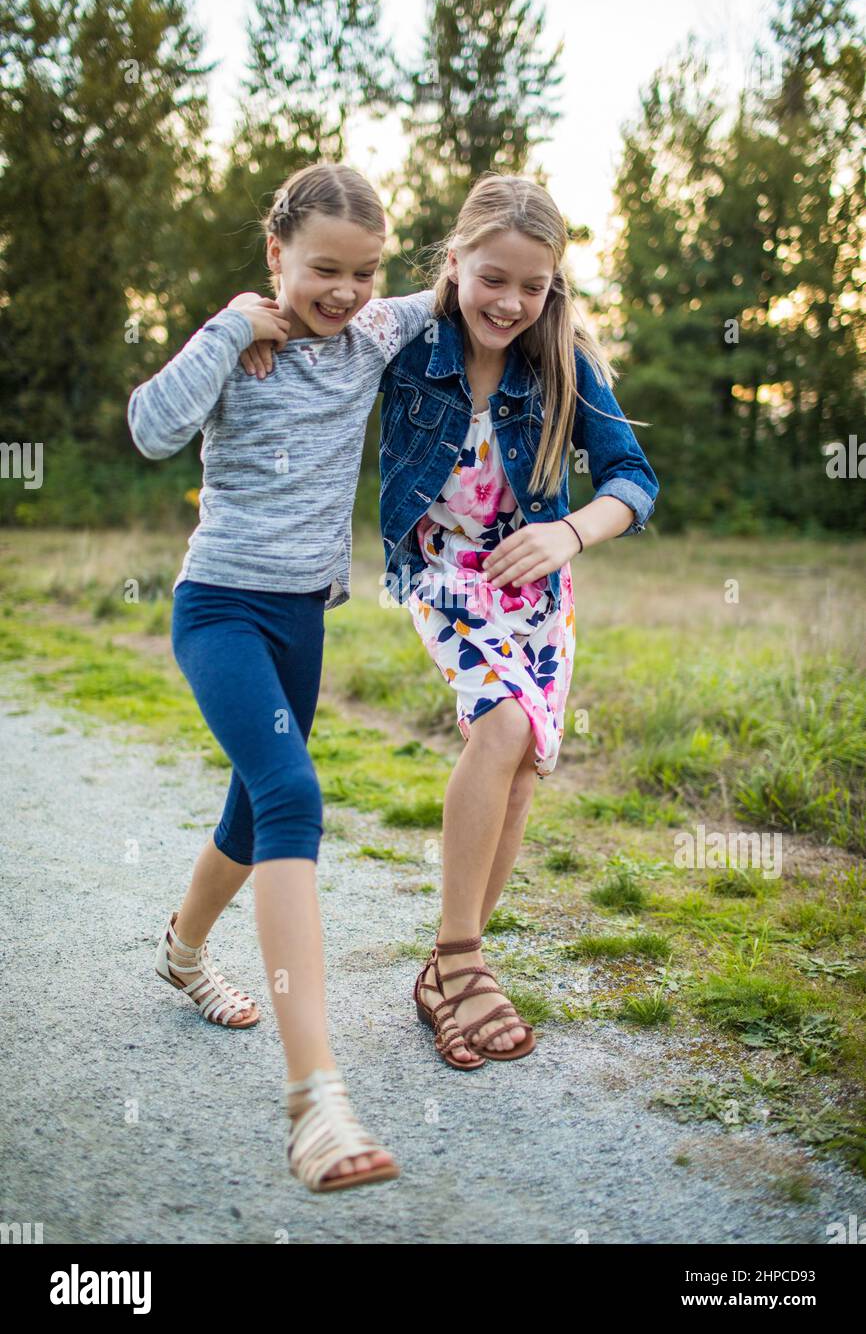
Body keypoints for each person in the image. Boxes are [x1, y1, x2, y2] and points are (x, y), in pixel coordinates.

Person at [127, 162, 434, 1191]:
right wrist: (225, 327)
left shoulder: (374, 335)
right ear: (275, 255)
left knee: (251, 819)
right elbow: (149, 429)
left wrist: (525, 278)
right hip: (218, 607)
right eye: (321, 270)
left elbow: (470, 286)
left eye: (364, 272)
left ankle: (180, 952)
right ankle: (315, 1101)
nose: (343, 292)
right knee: (293, 794)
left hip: (302, 620)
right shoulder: (239, 343)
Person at [377, 173, 659, 1069]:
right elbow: (315, 315)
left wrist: (568, 534)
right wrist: (253, 328)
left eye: (530, 286)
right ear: (454, 261)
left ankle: (443, 973)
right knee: (499, 725)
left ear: (554, 286)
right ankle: (462, 962)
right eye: (491, 278)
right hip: (443, 577)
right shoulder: (404, 337)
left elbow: (634, 481)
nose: (509, 301)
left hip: (537, 593)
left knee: (523, 764)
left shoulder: (567, 359)